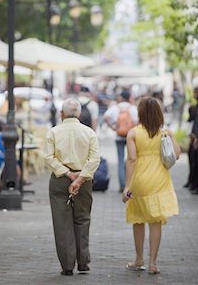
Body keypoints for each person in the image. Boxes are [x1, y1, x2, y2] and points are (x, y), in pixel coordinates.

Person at [122, 97, 180, 275]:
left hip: (140, 180)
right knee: (156, 222)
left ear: (140, 113)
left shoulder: (133, 133)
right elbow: (176, 155)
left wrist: (127, 186)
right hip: (160, 180)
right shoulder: (166, 132)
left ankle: (139, 260)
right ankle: (153, 263)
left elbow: (131, 159)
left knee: (138, 219)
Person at [44, 98, 100, 276]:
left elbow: (48, 158)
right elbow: (94, 159)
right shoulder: (89, 132)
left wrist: (68, 174)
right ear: (80, 114)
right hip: (84, 180)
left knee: (62, 222)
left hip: (60, 180)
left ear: (61, 114)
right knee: (83, 219)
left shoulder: (53, 132)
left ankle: (67, 266)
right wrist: (80, 178)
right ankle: (83, 262)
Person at [103, 90, 138, 192]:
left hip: (118, 136)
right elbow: (137, 121)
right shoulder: (133, 108)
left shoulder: (115, 107)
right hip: (131, 136)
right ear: (129, 97)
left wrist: (112, 126)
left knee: (120, 160)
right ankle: (130, 184)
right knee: (131, 159)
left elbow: (106, 117)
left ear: (121, 97)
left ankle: (122, 185)